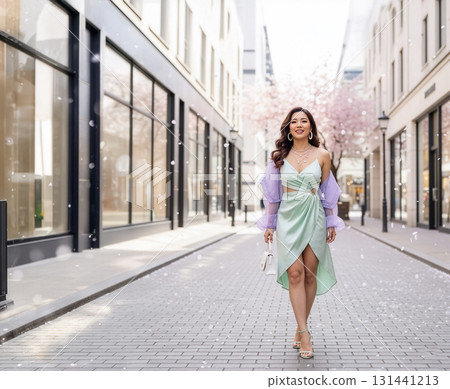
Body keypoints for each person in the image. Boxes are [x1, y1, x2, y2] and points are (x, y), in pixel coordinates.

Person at [257, 107, 344, 359]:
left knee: (309, 275)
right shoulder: (278, 158)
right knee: (294, 273)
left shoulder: (323, 155)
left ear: (311, 127)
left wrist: (331, 221)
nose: (299, 124)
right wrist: (270, 224)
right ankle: (305, 333)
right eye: (294, 121)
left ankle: (299, 324)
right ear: (288, 127)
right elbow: (272, 195)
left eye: (303, 121)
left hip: (314, 215)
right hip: (288, 217)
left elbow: (329, 192)